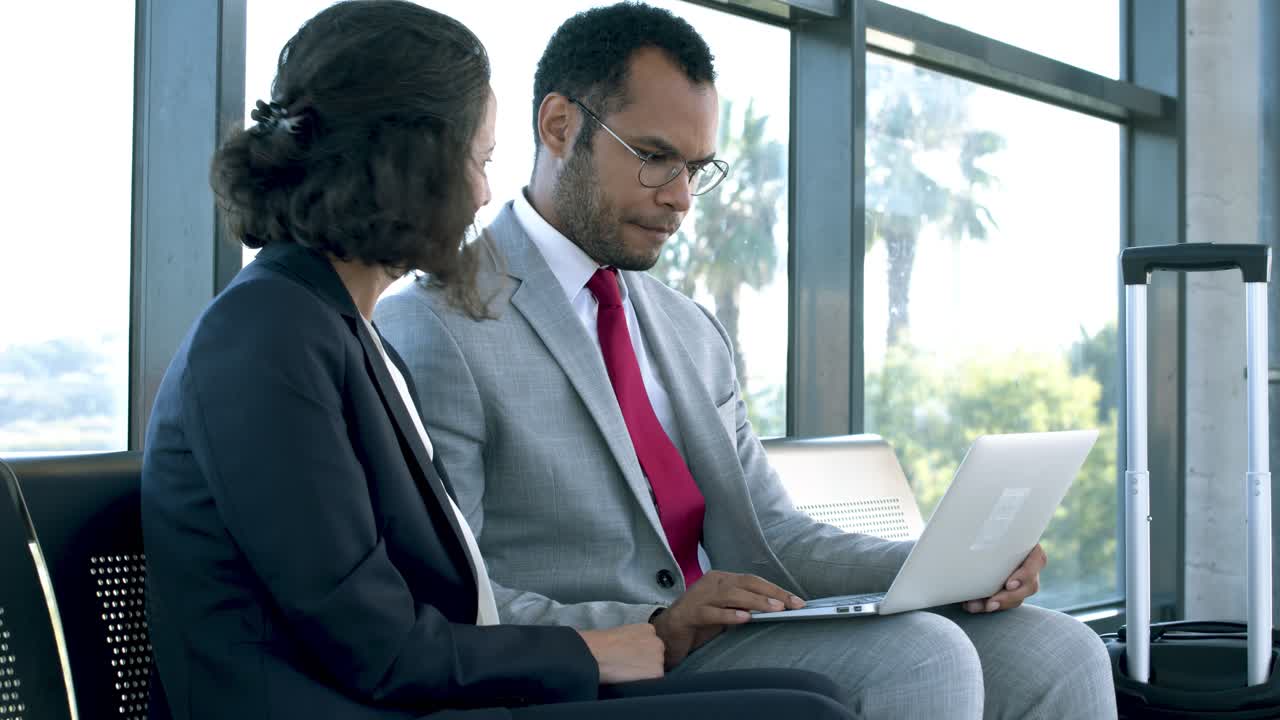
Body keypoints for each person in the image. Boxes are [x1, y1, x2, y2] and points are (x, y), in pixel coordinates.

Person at [372, 3, 1118, 719]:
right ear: (561, 126)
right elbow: (455, 594)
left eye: (697, 168)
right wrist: (659, 618)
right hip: (610, 660)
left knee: (1061, 649)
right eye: (655, 157)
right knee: (920, 657)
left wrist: (944, 567)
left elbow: (776, 536)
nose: (681, 198)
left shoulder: (687, 328)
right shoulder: (439, 322)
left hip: (730, 636)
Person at [140, 2, 854, 718]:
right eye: (476, 161)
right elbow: (375, 646)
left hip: (421, 694)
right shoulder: (267, 336)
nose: (483, 193)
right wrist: (592, 650)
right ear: (404, 163)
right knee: (802, 712)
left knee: (809, 695)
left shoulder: (333, 329)